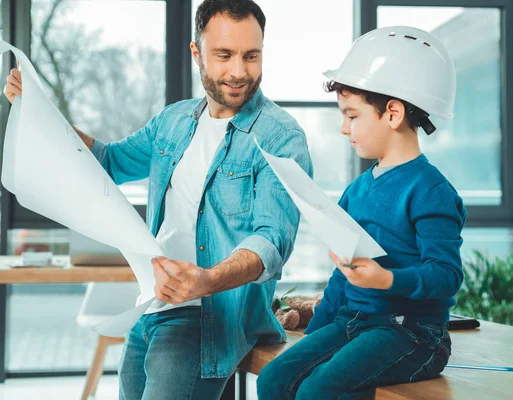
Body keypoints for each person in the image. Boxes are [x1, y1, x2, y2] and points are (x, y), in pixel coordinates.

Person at [4, 1, 312, 399]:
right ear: (196, 53)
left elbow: (272, 240)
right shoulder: (174, 120)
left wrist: (207, 281)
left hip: (207, 319)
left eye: (251, 56)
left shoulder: (281, 137)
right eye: (224, 55)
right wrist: (41, 112)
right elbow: (107, 162)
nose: (239, 71)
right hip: (150, 308)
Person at [256, 26, 466, 399]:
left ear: (393, 114)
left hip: (413, 334)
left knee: (318, 390)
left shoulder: (431, 191)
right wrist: (313, 337)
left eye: (352, 116)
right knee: (273, 379)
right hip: (353, 321)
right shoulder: (356, 190)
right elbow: (343, 277)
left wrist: (386, 280)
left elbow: (446, 275)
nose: (343, 128)